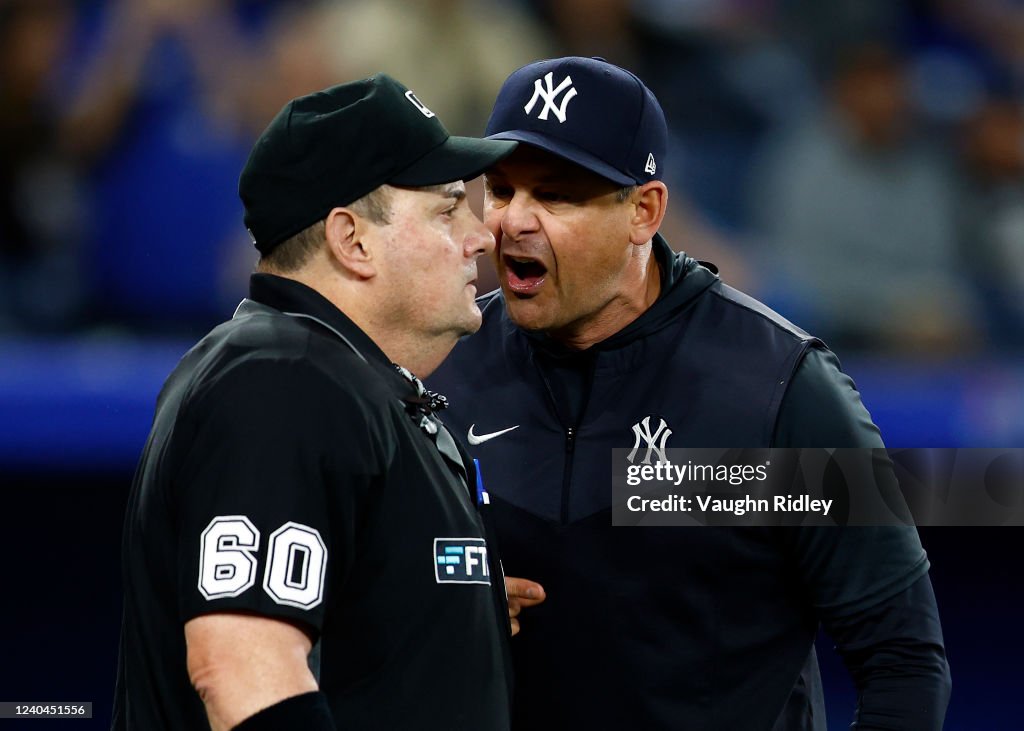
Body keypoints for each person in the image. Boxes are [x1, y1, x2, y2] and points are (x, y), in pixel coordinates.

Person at [428, 57, 951, 730]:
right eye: (500, 191)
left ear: (643, 211)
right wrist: (434, 601)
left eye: (555, 196)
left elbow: (903, 660)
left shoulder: (780, 385)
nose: (511, 223)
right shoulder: (442, 368)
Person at [112, 74, 518, 731]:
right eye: (448, 209)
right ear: (352, 239)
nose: (481, 237)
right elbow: (244, 670)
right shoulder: (282, 379)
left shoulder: (352, 383)